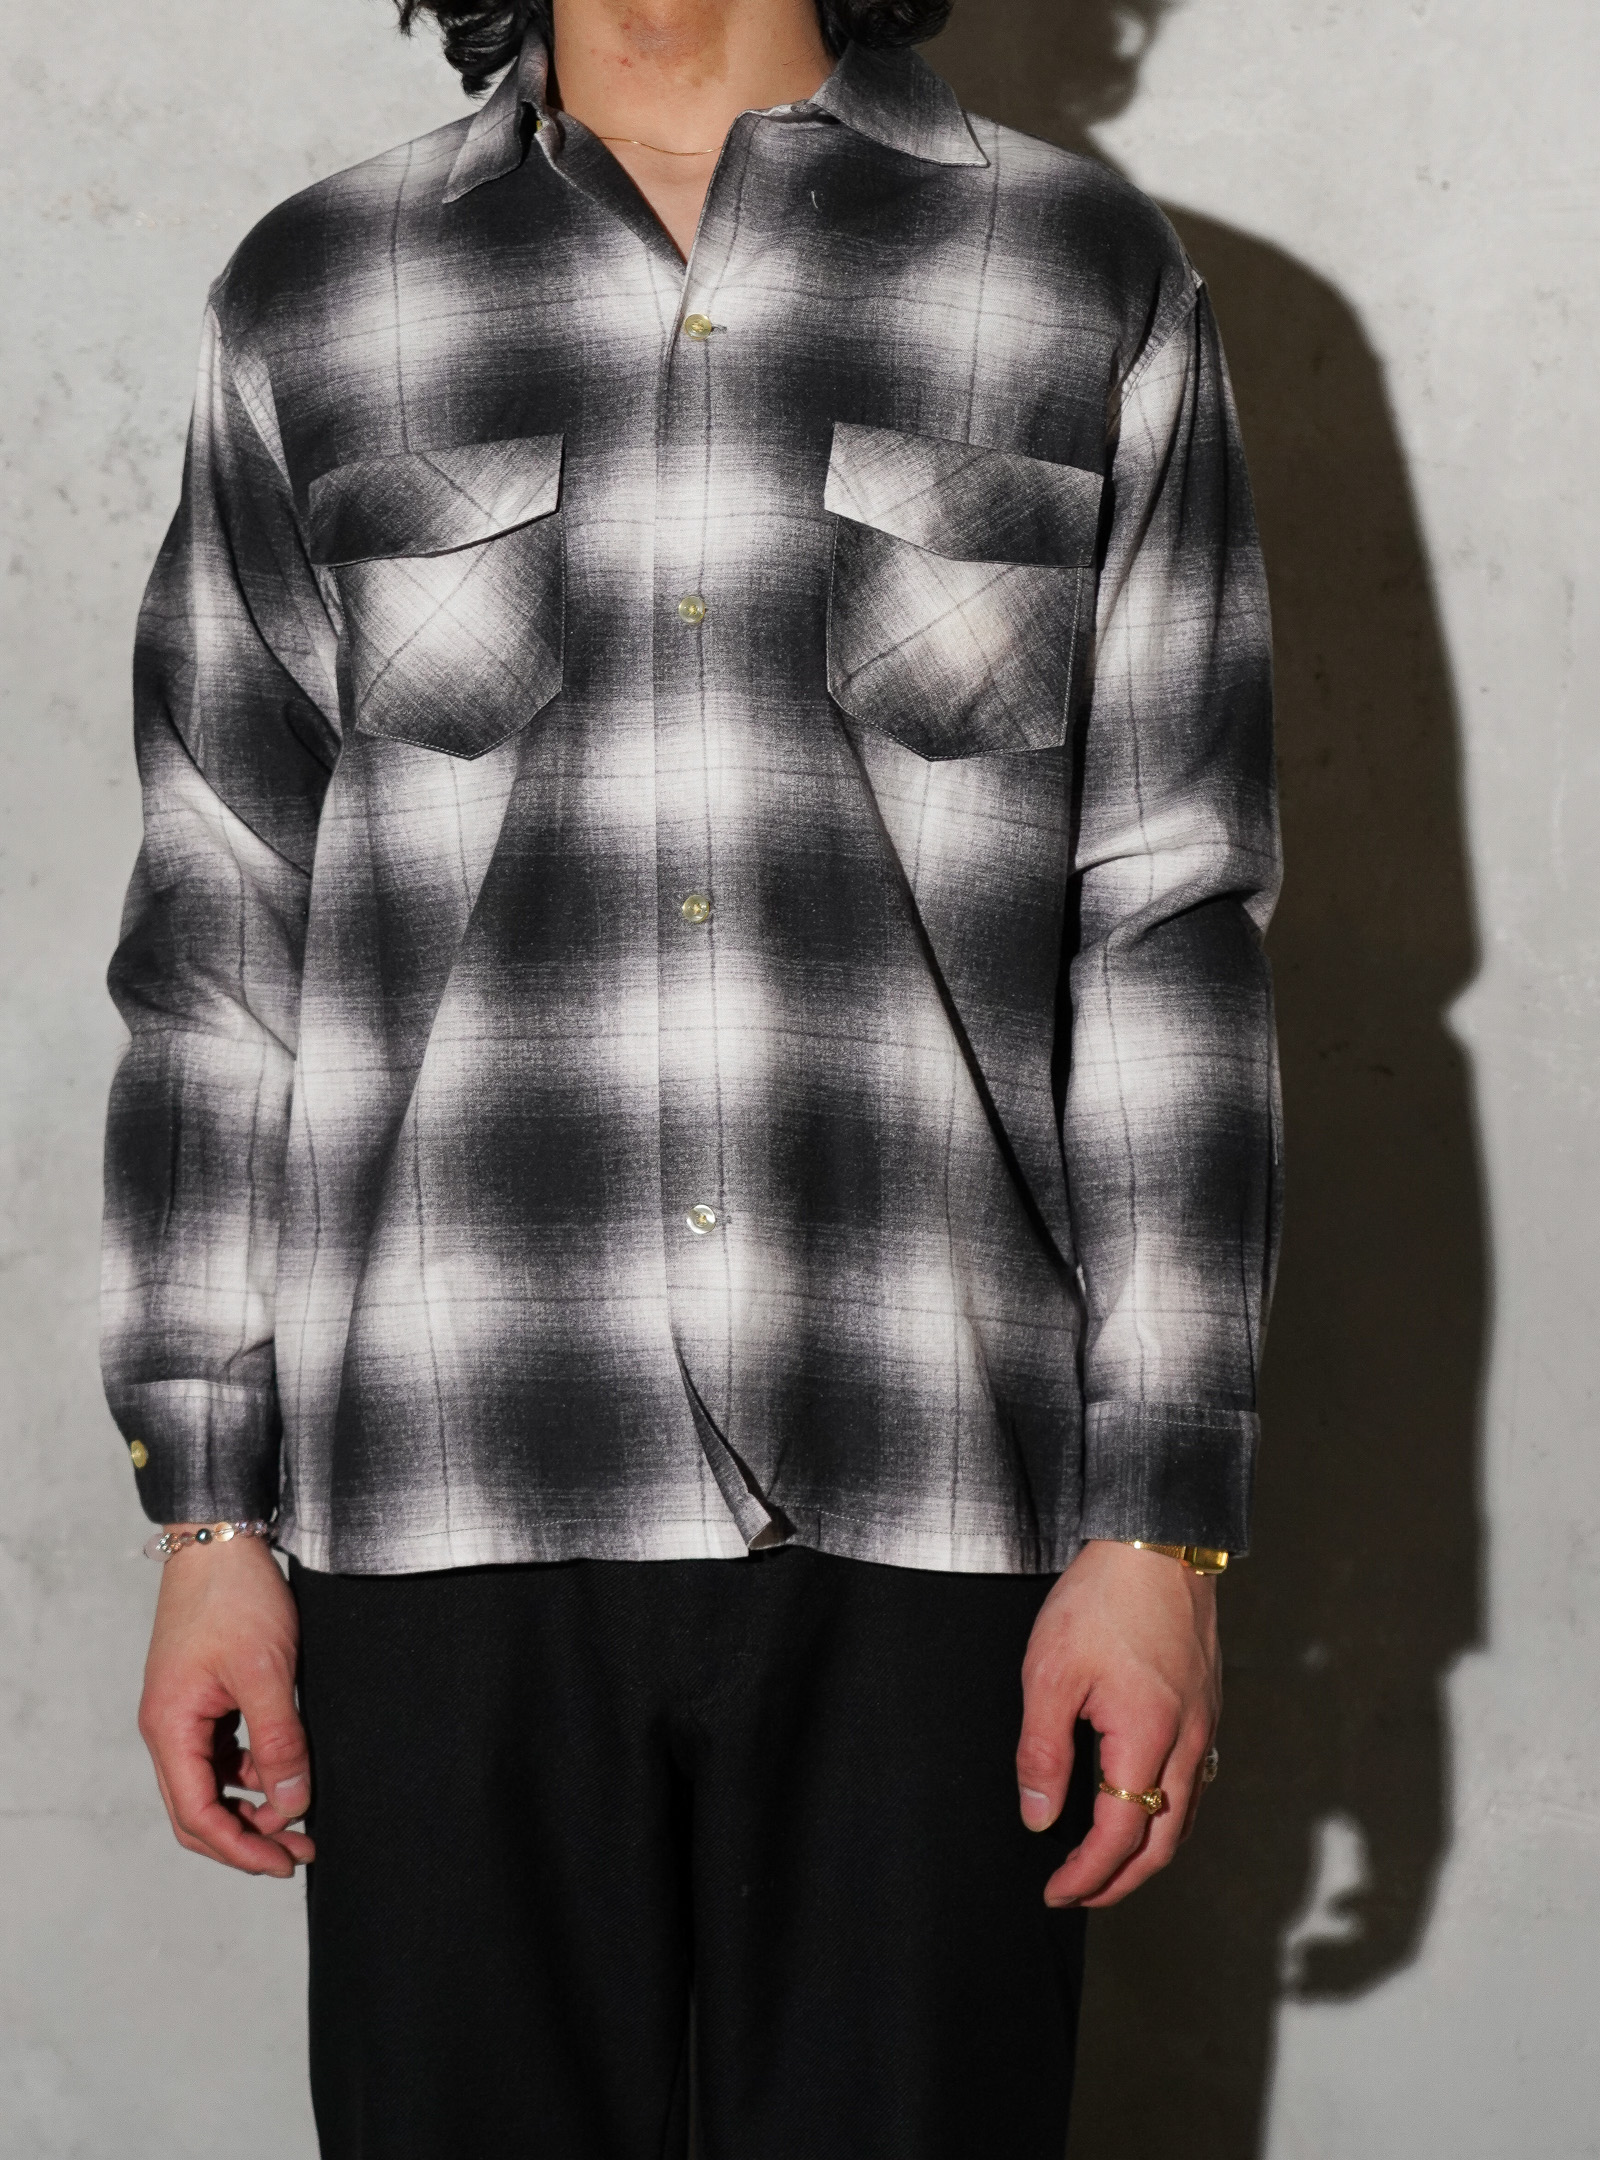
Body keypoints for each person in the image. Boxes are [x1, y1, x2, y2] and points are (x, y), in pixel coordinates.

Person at [102, 0, 1280, 2147]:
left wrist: (1158, 1529)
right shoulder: (321, 292)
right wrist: (208, 1509)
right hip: (441, 1492)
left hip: (940, 1495)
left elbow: (1168, 925)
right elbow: (217, 941)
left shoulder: (1075, 278)